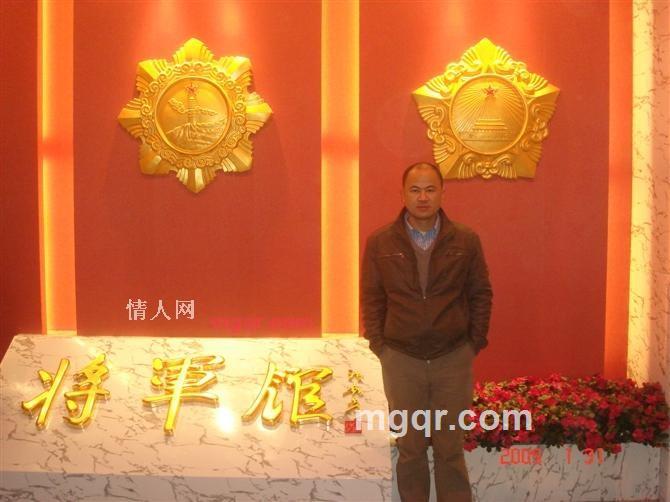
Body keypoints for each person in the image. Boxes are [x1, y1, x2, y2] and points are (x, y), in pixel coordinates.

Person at [361, 162, 493, 502]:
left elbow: (480, 293)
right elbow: (372, 297)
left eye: (430, 189)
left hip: (453, 358)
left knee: (450, 448)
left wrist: (473, 343)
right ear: (403, 194)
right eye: (415, 190)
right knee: (410, 448)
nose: (423, 197)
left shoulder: (465, 240)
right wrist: (380, 345)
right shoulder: (380, 242)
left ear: (442, 193)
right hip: (401, 359)